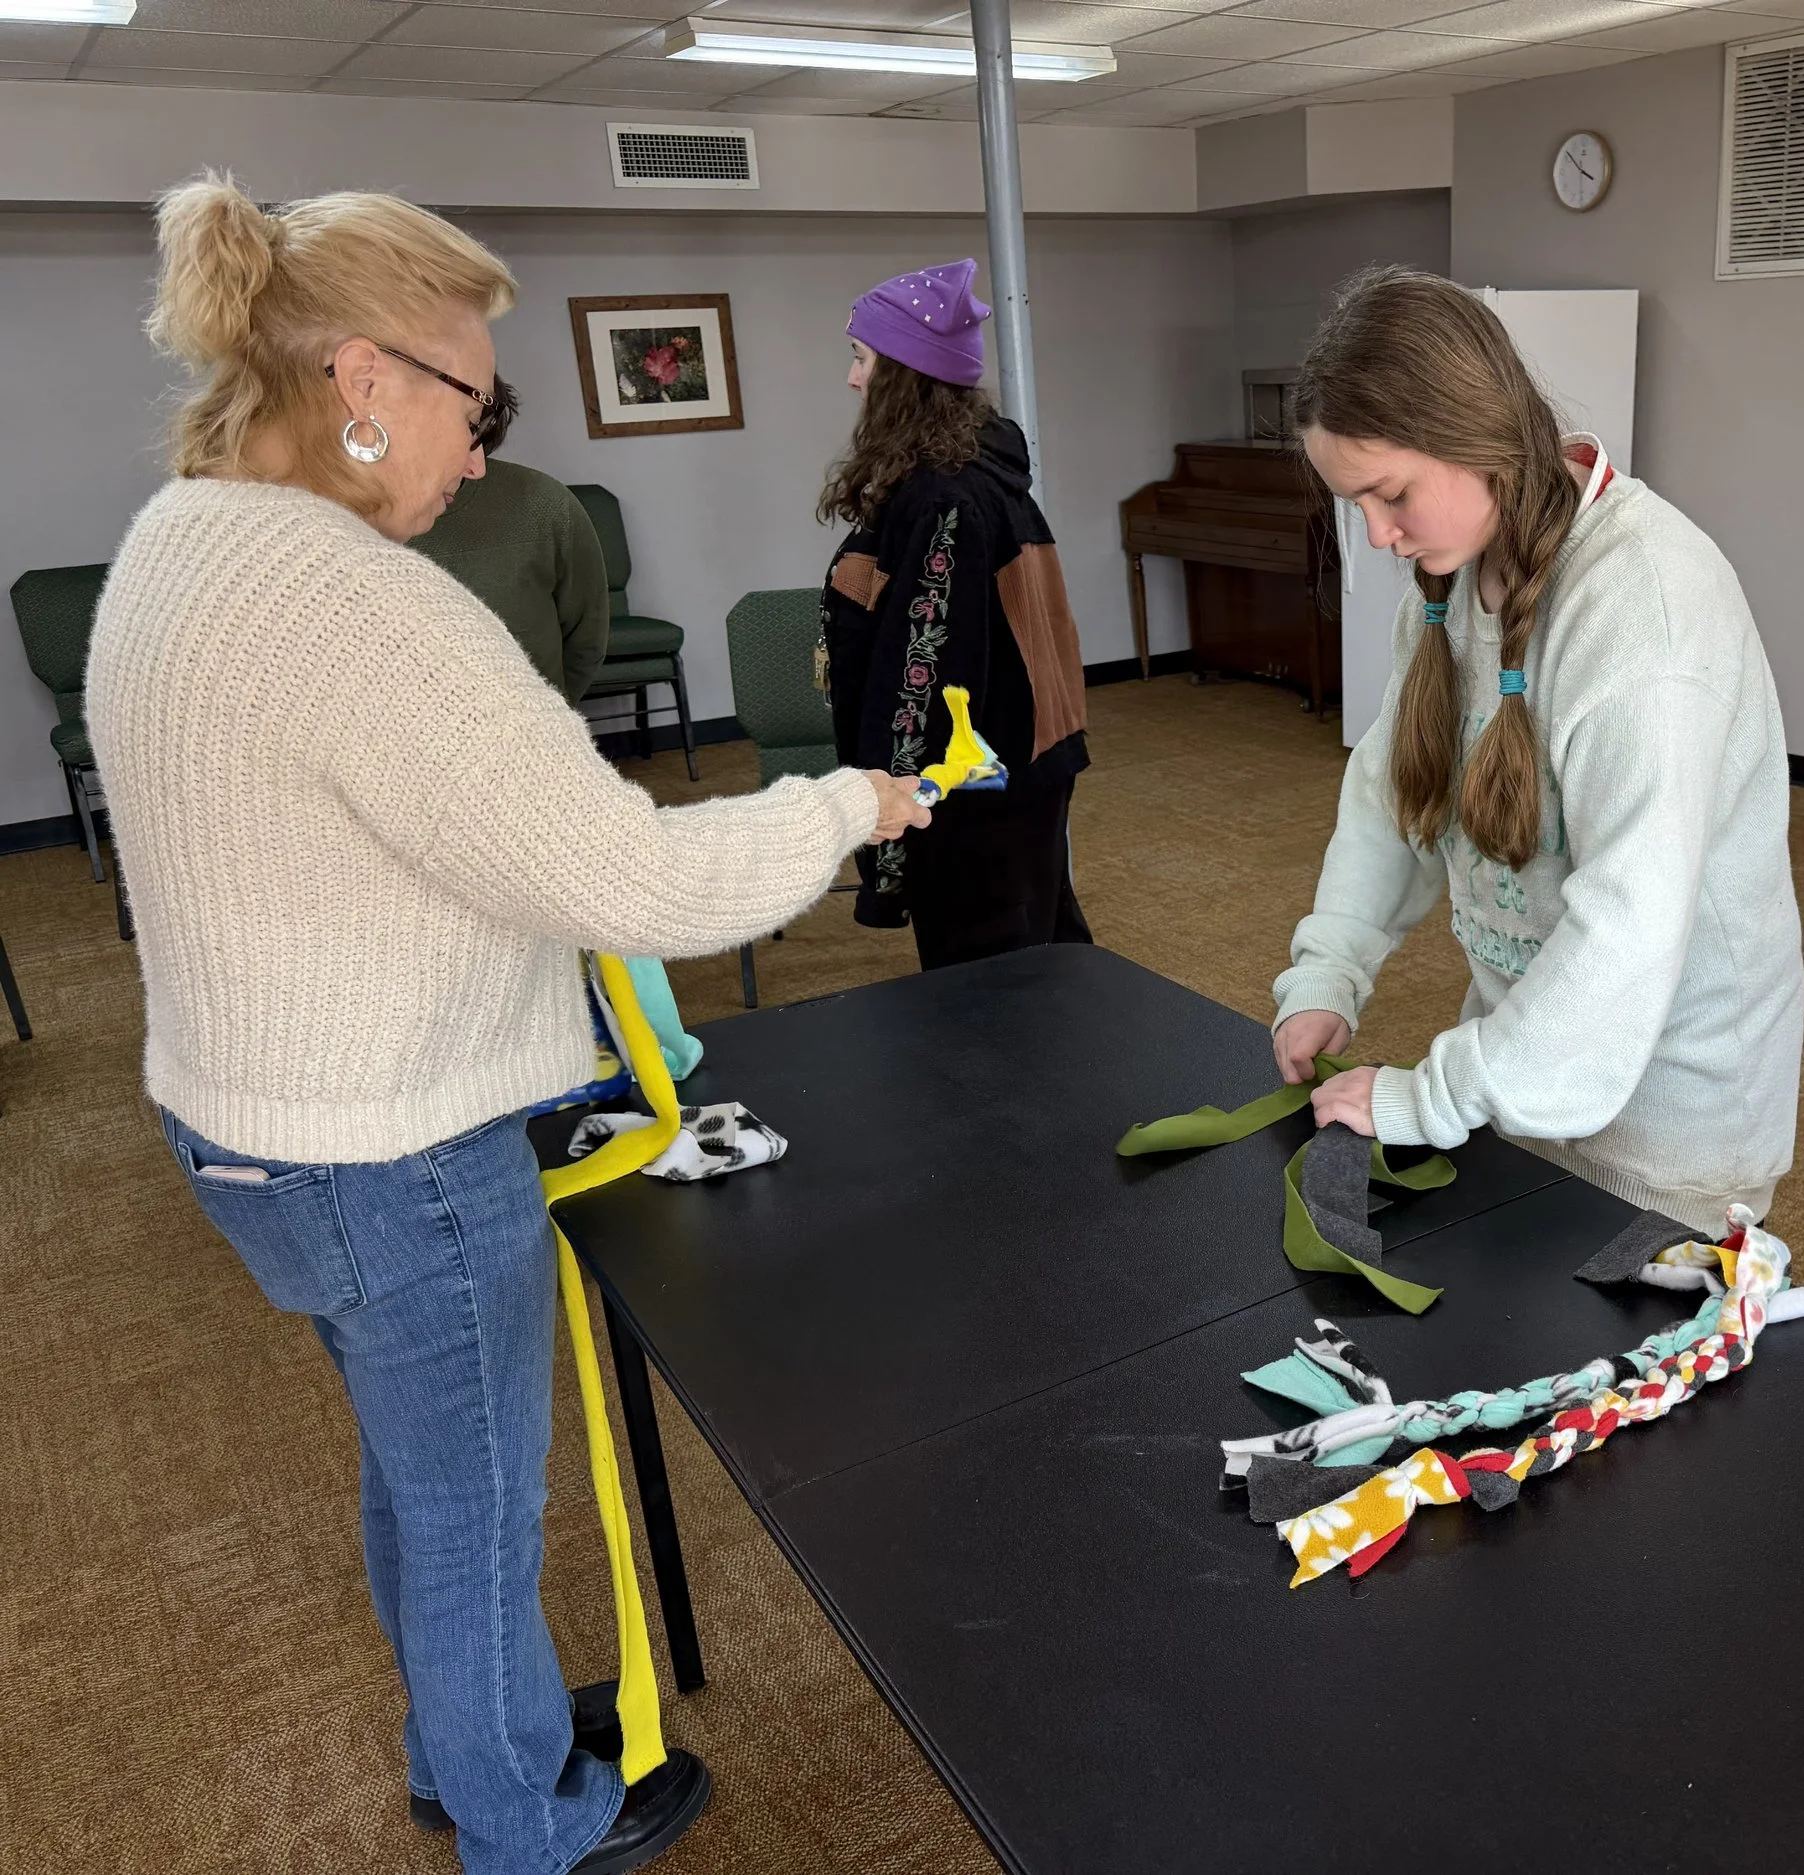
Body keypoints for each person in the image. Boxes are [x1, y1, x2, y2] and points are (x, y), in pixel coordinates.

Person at [84, 176, 928, 1875]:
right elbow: (636, 879)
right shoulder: (361, 607)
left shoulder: (173, 542)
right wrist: (847, 807)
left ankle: (461, 1754)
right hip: (394, 1157)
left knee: (418, 1483)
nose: (481, 457)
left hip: (247, 1136)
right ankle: (520, 1827)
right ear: (364, 382)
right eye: (482, 407)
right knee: (473, 1522)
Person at [1270, 267, 1804, 1228]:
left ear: (1474, 439)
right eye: (1355, 505)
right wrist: (1329, 970)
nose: (1379, 535)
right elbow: (1392, 797)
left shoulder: (1645, 608)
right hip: (1525, 1080)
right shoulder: (1452, 580)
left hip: (1665, 1125)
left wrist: (1425, 1098)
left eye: (1390, 495)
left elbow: (1630, 923)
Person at [817, 259, 1092, 971]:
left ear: (905, 375)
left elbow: (924, 675)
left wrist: (893, 819)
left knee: (990, 984)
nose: (852, 378)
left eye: (862, 359)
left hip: (974, 796)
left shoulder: (947, 500)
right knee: (1035, 952)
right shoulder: (968, 479)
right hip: (1011, 776)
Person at [408, 379, 614, 703]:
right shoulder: (336, 528)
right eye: (464, 430)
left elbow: (586, 637)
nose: (477, 467)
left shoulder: (544, 504)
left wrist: (547, 716)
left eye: (480, 433)